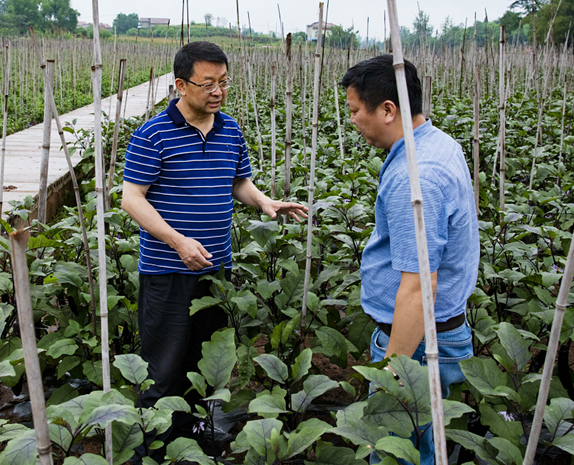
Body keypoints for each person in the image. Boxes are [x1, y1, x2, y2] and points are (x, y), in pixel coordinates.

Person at [122, 41, 306, 458]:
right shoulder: (153, 134)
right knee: (163, 369)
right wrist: (177, 240)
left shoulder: (230, 129)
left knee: (204, 366)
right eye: (208, 84)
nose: (217, 91)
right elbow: (132, 198)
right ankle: (153, 449)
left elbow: (238, 181)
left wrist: (263, 201)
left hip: (213, 269)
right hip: (168, 271)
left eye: (223, 82)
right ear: (181, 84)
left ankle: (196, 438)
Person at [340, 54, 479, 465]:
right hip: (439, 332)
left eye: (354, 111)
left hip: (419, 344)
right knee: (429, 446)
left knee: (398, 451)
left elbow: (419, 289)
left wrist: (392, 377)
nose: (352, 121)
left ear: (387, 110)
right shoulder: (437, 142)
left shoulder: (415, 178)